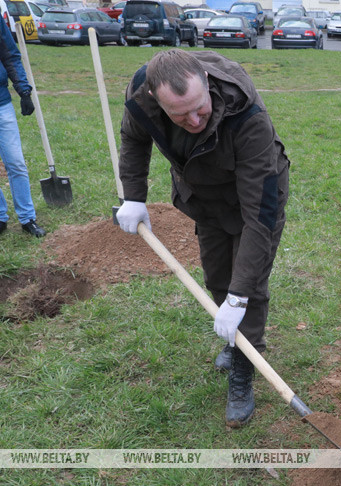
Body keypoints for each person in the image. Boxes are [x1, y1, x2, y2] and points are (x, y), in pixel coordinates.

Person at [116, 49, 289, 428]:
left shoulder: (247, 116)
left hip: (256, 198)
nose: (194, 120)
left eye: (201, 109)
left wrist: (240, 295)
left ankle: (244, 369)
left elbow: (258, 217)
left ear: (208, 85)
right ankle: (234, 341)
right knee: (216, 279)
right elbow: (133, 140)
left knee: (248, 288)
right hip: (204, 198)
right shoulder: (141, 96)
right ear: (159, 102)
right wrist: (133, 195)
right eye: (181, 115)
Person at [0, 20, 46, 238]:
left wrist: (24, 92)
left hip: (2, 105)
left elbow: (10, 55)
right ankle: (0, 217)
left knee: (16, 162)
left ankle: (27, 218)